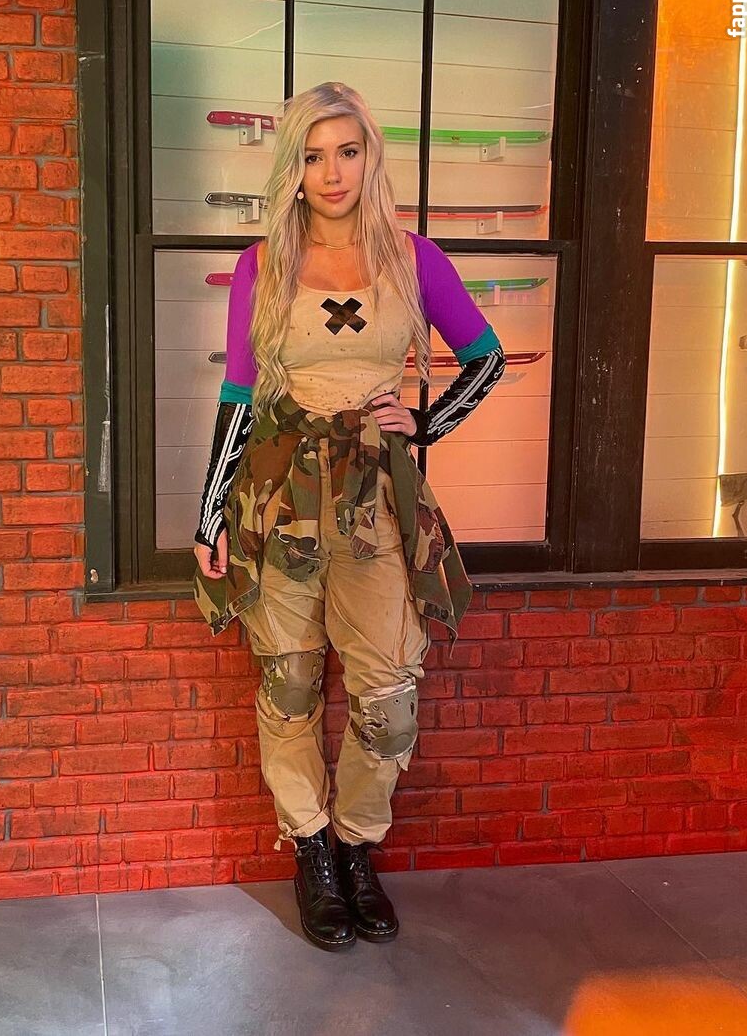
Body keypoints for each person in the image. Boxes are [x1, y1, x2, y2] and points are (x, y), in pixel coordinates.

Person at [191, 81, 506, 951]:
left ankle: (359, 846)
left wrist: (426, 423)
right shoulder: (263, 265)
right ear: (293, 168)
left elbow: (485, 358)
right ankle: (312, 852)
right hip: (279, 505)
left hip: (376, 510)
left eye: (349, 151)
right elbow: (239, 395)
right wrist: (211, 515)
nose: (332, 172)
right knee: (289, 684)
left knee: (387, 695)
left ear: (370, 157)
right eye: (313, 155)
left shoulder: (414, 259)